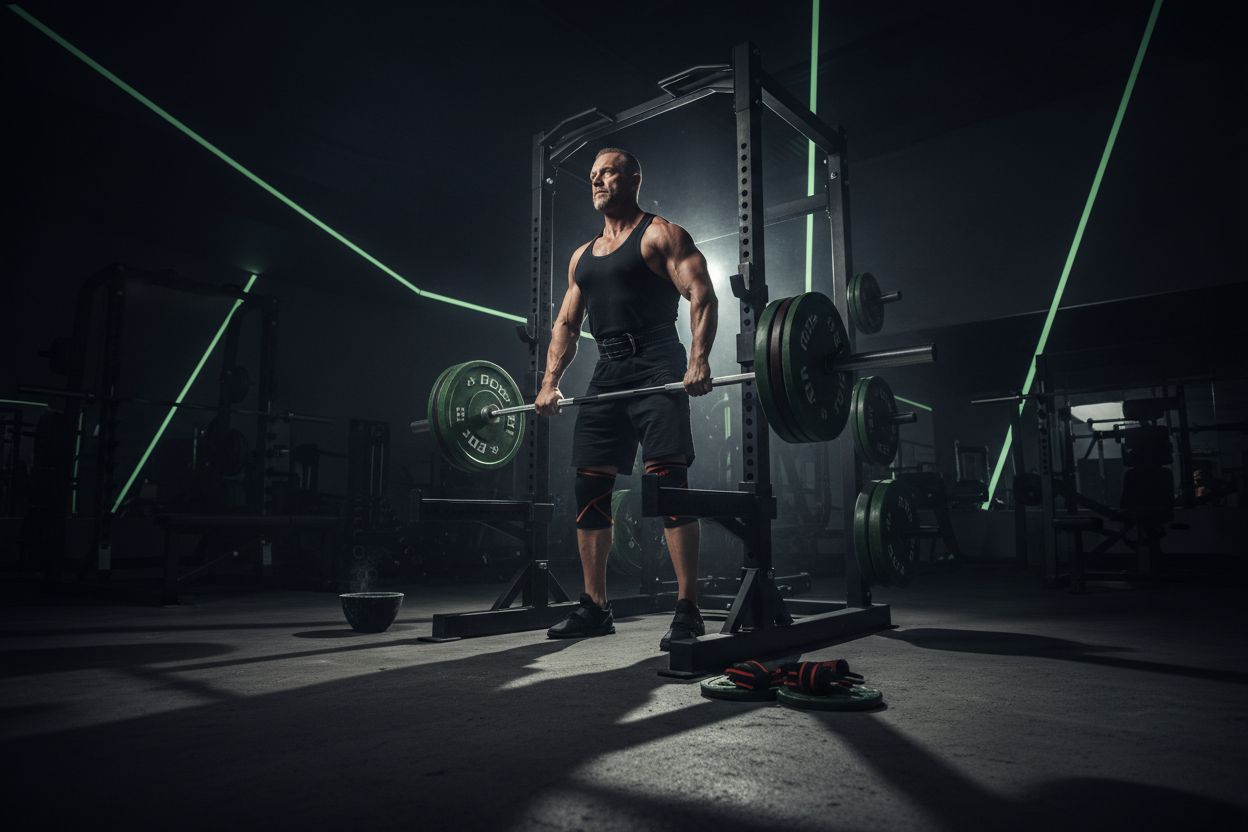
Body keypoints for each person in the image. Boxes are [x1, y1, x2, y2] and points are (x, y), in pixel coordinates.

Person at [536, 148, 718, 650]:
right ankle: (595, 606)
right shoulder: (582, 256)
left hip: (657, 360)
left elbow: (702, 294)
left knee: (667, 485)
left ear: (634, 179)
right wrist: (549, 383)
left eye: (608, 173)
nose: (597, 181)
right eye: (592, 176)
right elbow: (566, 323)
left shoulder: (661, 234)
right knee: (588, 485)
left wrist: (698, 360)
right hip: (607, 370)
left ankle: (688, 608)